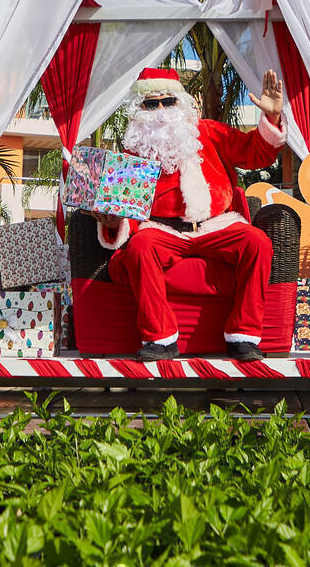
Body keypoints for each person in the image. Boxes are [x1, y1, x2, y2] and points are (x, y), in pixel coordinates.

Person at [96, 67, 287, 362]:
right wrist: (114, 222)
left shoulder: (210, 132)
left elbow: (255, 153)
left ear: (181, 103)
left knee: (257, 242)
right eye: (151, 104)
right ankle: (160, 340)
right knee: (139, 248)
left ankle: (243, 337)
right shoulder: (132, 152)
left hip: (216, 225)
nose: (161, 111)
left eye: (168, 102)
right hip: (162, 230)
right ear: (140, 110)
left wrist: (272, 117)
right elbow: (126, 210)